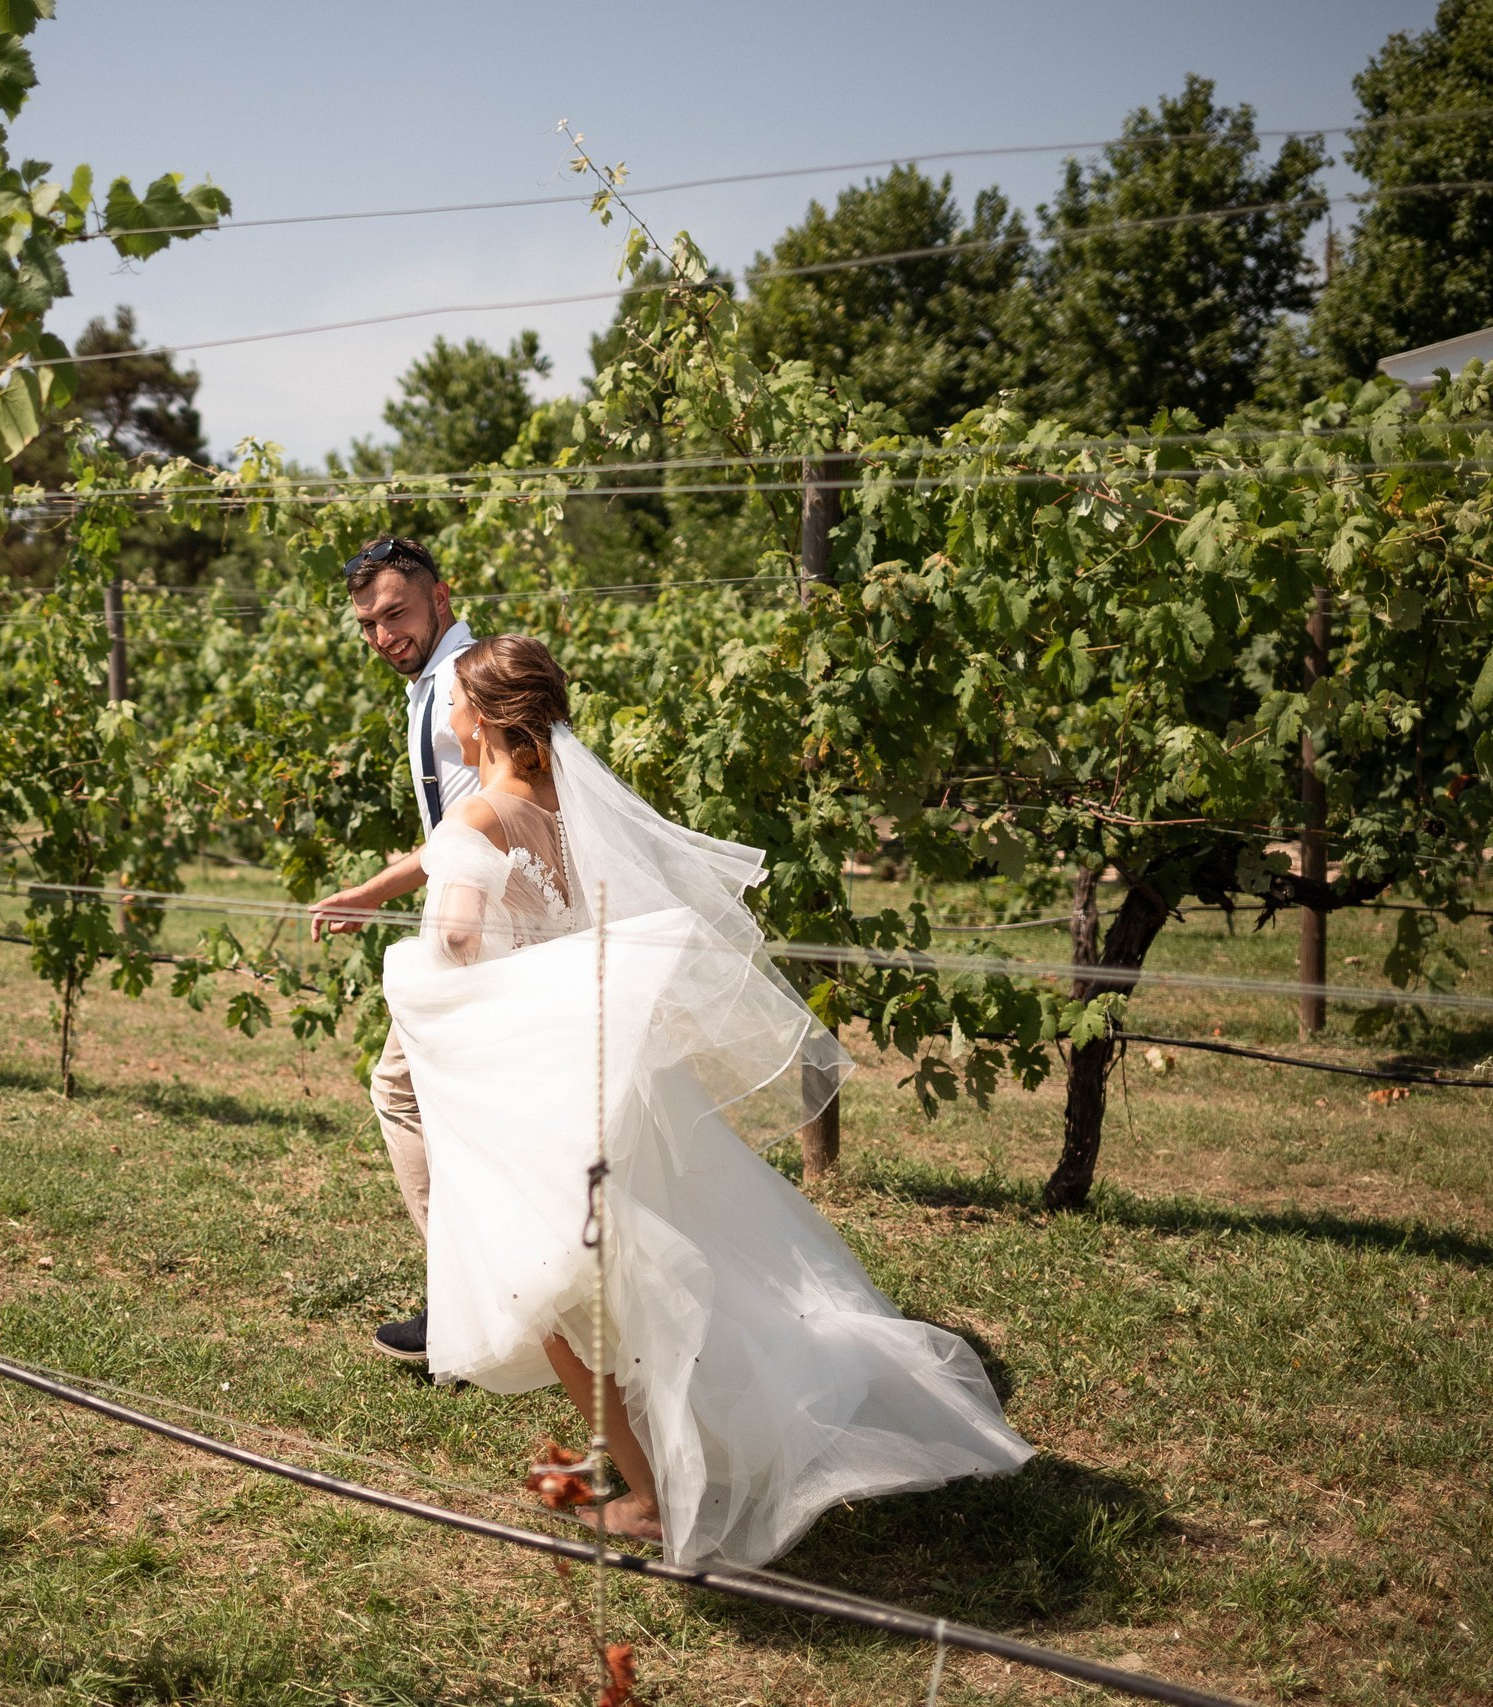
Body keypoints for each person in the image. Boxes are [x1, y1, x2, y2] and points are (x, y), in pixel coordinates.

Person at [381, 634, 1035, 1564]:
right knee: (654, 1255)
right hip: (605, 1060)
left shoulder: (477, 819)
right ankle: (705, 1435)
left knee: (547, 1287)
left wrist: (410, 958)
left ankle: (649, 1495)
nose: (445, 714)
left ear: (481, 718)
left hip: (534, 1075)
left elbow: (454, 943)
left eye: (454, 702)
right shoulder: (570, 804)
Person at [308, 535, 473, 1363]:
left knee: (402, 1089)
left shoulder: (464, 686)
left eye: (396, 613)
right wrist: (375, 891)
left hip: (478, 928)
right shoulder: (433, 682)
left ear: (442, 596)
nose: (382, 635)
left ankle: (463, 1300)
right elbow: (452, 829)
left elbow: (493, 825)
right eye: (368, 623)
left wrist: (460, 936)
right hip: (465, 913)